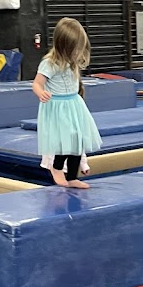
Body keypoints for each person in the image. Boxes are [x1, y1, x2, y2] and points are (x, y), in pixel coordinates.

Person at [32, 17, 102, 188]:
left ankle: (72, 177)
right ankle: (56, 168)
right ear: (63, 46)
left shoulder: (72, 61)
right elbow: (36, 83)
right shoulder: (49, 63)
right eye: (75, 48)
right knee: (65, 139)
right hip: (58, 106)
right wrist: (41, 93)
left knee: (78, 139)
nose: (78, 52)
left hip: (73, 104)